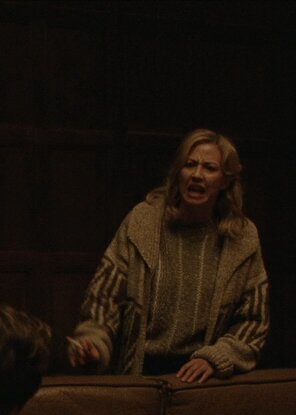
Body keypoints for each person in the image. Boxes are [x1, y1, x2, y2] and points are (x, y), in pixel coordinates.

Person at [68, 128, 269, 383]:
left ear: (225, 181)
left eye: (209, 168)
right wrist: (94, 343)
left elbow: (254, 320)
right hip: (138, 376)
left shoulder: (242, 237)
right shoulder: (143, 223)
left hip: (202, 382)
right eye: (189, 165)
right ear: (178, 172)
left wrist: (215, 357)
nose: (197, 175)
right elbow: (104, 297)